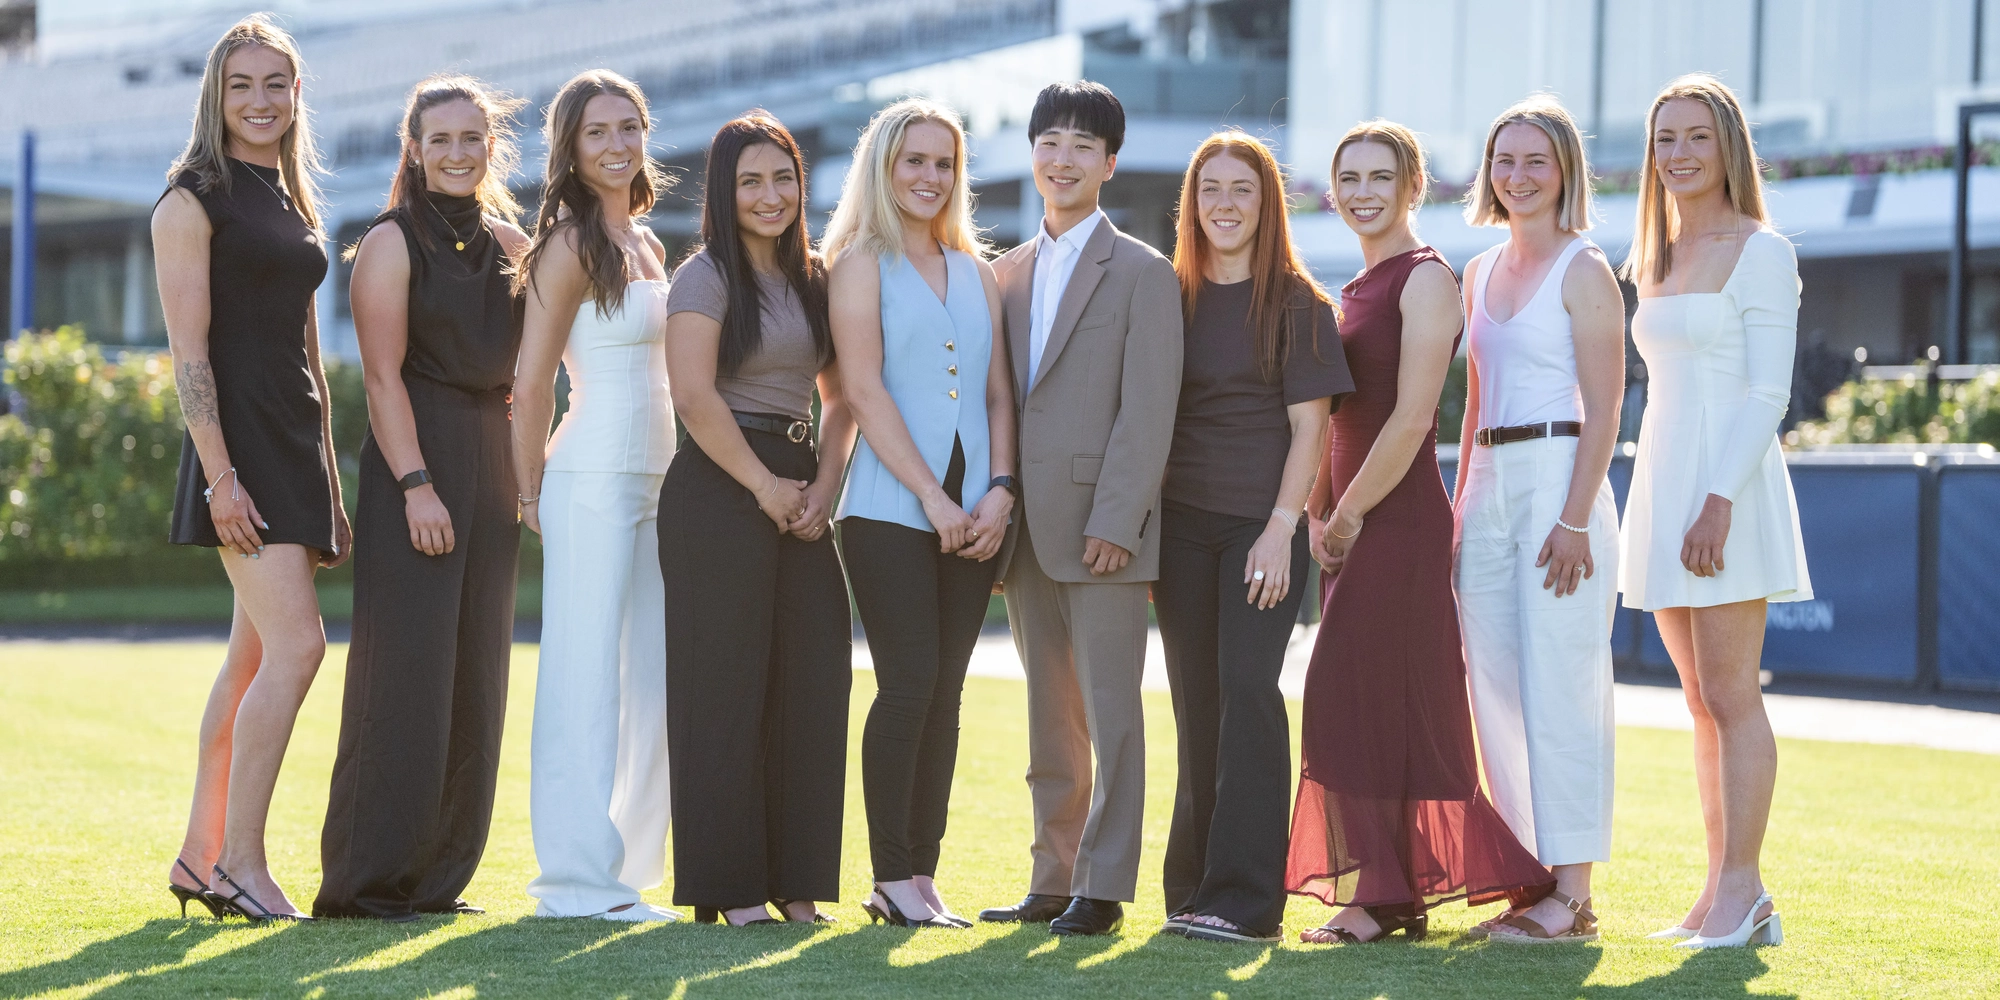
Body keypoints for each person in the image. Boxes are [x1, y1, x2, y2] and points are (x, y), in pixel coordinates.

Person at [1286, 120, 1554, 945]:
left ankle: (1377, 896)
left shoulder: (1426, 280)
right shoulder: (1354, 285)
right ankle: (1390, 893)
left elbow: (1409, 421)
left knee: (1355, 699)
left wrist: (1350, 513)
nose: (1363, 192)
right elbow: (1336, 417)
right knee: (1370, 703)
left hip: (1394, 521)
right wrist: (1315, 513)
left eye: (1380, 176)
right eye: (1349, 178)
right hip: (1349, 518)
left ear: (1414, 186)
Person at [314, 75, 530, 922]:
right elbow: (380, 376)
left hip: (493, 458)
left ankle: (439, 883)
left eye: (471, 138)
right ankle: (367, 884)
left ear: (490, 147)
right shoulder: (389, 244)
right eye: (439, 139)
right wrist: (416, 487)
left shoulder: (515, 244)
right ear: (414, 148)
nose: (456, 153)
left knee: (477, 676)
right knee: (403, 676)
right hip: (421, 457)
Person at [976, 81, 1183, 938]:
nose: (1063, 159)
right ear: (1033, 155)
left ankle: (1102, 887)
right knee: (1047, 720)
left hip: (1106, 532)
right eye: (1049, 142)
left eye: (1082, 146)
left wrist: (1118, 518)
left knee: (1112, 716)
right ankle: (1051, 877)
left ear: (1109, 162)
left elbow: (1149, 408)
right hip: (1023, 532)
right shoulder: (1003, 273)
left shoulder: (1144, 272)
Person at [153, 14, 344, 923]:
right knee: (299, 649)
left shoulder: (291, 201)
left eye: (277, 83)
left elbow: (306, 355)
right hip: (239, 454)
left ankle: (199, 858)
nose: (261, 100)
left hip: (294, 443)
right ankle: (241, 864)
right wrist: (220, 476)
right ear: (216, 97)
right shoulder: (192, 199)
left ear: (295, 93)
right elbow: (189, 354)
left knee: (251, 660)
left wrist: (332, 487)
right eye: (243, 85)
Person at [1621, 73, 1809, 950]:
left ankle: (1744, 891)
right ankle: (1718, 894)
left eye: (1696, 137)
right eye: (1666, 139)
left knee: (1733, 696)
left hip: (1725, 491)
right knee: (1698, 701)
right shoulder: (1654, 251)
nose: (1679, 154)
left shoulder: (1762, 248)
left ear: (1728, 146)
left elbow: (1768, 392)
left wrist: (1717, 501)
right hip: (1665, 479)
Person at [820, 99, 1014, 930]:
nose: (929, 177)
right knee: (908, 686)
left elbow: (1000, 393)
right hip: (888, 510)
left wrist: (1001, 489)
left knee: (948, 695)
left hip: (978, 512)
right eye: (913, 161)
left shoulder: (978, 272)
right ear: (883, 167)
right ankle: (889, 874)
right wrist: (933, 498)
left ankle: (922, 877)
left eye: (943, 163)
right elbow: (859, 389)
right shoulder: (858, 264)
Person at [1154, 132, 1352, 945]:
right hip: (1179, 530)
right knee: (1197, 704)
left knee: (1247, 692)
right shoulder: (1171, 297)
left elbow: (1312, 434)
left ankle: (1246, 900)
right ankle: (1194, 886)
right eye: (1210, 190)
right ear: (1192, 204)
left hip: (1258, 528)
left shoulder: (1300, 305)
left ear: (1268, 204)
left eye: (1242, 190)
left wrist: (1280, 530)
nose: (1224, 205)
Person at [661, 112, 854, 928]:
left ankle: (797, 885)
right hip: (718, 488)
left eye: (783, 178)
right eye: (751, 181)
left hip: (803, 488)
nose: (770, 195)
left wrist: (824, 488)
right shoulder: (703, 278)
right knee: (724, 690)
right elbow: (694, 398)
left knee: (813, 683)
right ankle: (731, 887)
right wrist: (765, 487)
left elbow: (844, 400)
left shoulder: (818, 276)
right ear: (723, 191)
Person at [1452, 97, 1626, 944]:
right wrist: (1458, 508)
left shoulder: (1586, 269)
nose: (1517, 177)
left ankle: (1576, 894)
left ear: (1565, 172)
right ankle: (1528, 874)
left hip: (1563, 477)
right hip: (1486, 478)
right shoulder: (1478, 271)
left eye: (1536, 162)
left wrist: (1576, 518)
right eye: (1505, 161)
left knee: (1564, 686)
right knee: (1495, 688)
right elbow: (1475, 398)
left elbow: (1606, 409)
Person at [515, 70, 680, 924]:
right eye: (596, 133)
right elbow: (531, 379)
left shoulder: (649, 244)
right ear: (571, 150)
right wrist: (528, 491)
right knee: (583, 682)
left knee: (646, 678)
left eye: (628, 127)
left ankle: (626, 869)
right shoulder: (569, 244)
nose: (616, 145)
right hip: (587, 480)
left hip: (660, 481)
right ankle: (576, 884)